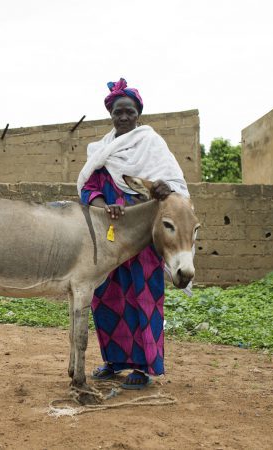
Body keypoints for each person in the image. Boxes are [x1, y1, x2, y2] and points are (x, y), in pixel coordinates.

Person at [76, 78, 189, 389]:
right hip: (110, 238)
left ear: (138, 113)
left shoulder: (151, 145)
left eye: (129, 112)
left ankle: (144, 367)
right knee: (107, 297)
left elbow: (174, 189)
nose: (123, 117)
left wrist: (164, 189)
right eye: (117, 112)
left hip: (142, 241)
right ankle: (113, 362)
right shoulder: (102, 150)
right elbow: (88, 187)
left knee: (144, 298)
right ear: (111, 115)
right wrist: (105, 205)